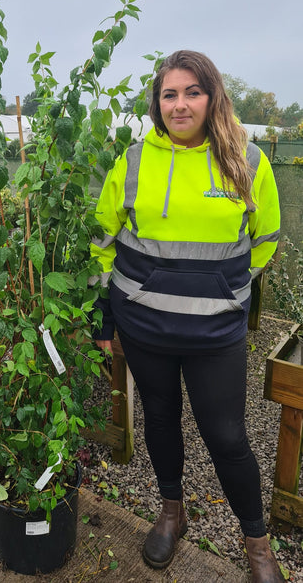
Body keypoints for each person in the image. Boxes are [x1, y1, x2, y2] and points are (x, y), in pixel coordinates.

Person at [90, 50, 282, 582]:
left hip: (216, 330)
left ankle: (257, 541)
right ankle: (172, 512)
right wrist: (105, 317)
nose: (179, 104)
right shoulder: (133, 161)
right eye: (169, 94)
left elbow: (264, 240)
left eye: (191, 92)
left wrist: (226, 288)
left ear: (212, 95)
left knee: (227, 436)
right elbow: (103, 240)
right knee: (159, 418)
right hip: (144, 325)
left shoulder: (247, 160)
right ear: (156, 102)